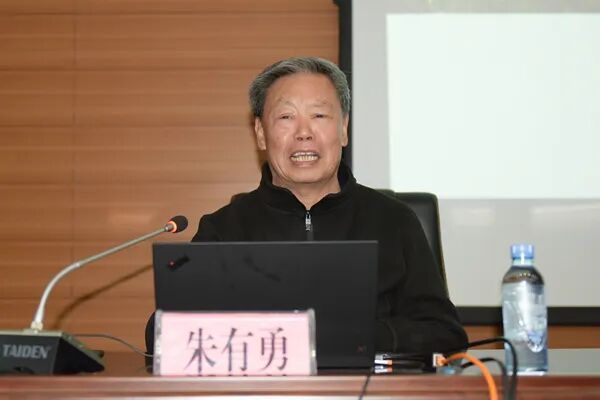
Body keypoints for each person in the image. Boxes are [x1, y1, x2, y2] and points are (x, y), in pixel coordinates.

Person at [191, 57, 468, 354]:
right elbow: (174, 334)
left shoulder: (395, 221)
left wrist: (357, 338)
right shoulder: (223, 230)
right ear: (260, 133)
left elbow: (444, 332)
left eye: (319, 115)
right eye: (286, 117)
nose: (304, 132)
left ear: (344, 128)